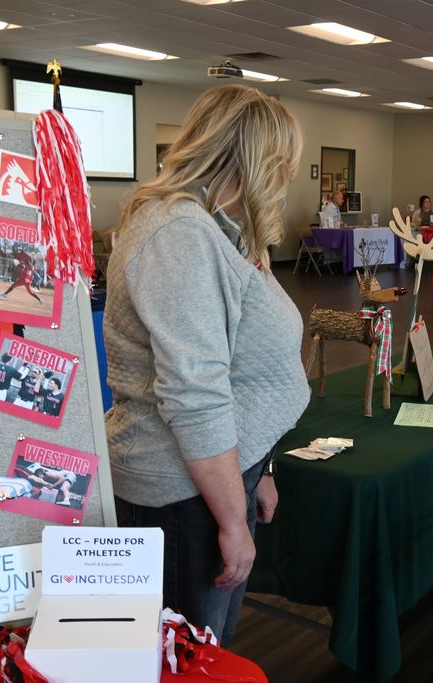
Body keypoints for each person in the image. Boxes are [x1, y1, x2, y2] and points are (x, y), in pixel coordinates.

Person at [104, 84, 309, 644]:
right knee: (184, 656)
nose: (286, 177)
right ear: (255, 161)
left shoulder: (217, 228)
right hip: (181, 494)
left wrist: (261, 469)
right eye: (282, 163)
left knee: (206, 651)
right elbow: (195, 394)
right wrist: (231, 521)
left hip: (217, 478)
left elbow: (240, 366)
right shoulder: (179, 232)